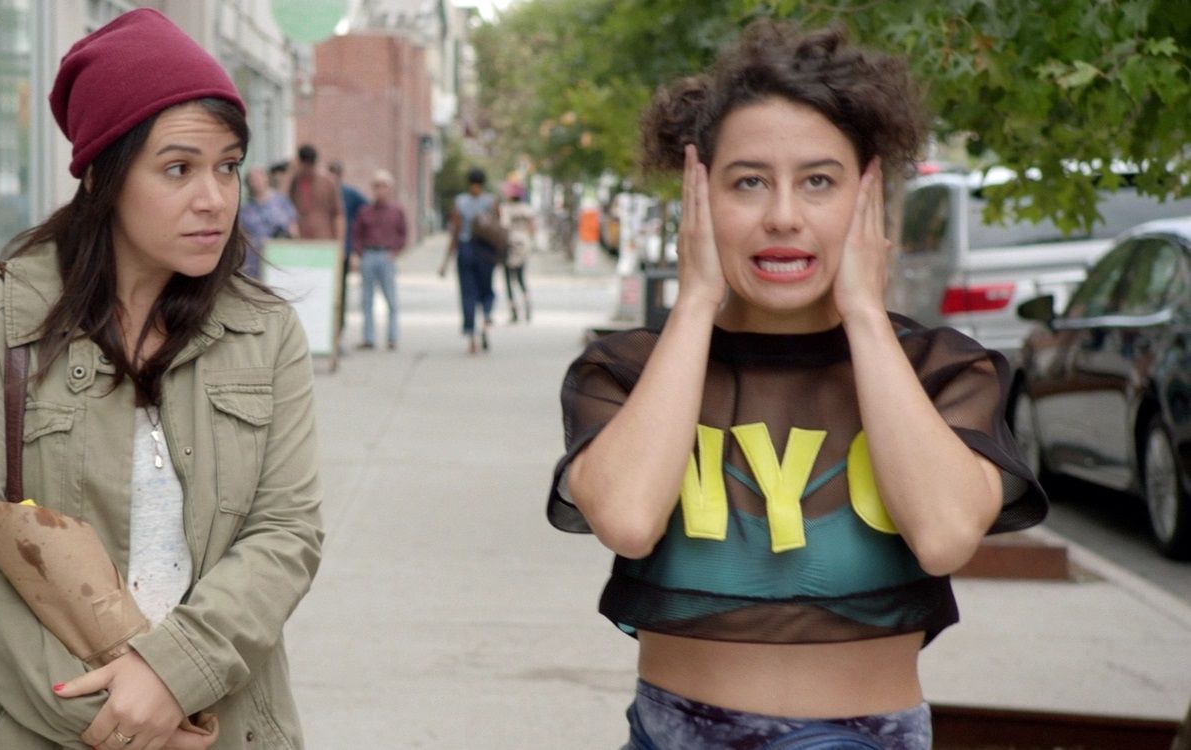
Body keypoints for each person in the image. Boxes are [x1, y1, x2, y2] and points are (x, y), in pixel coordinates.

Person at [547, 23, 1047, 749]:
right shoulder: (626, 370)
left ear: (868, 196)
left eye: (819, 181)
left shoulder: (940, 369)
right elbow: (625, 519)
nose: (783, 216)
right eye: (748, 182)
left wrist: (866, 317)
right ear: (699, 196)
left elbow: (941, 537)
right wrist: (692, 304)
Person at [0, 9, 323, 749]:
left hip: (225, 724)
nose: (214, 198)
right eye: (178, 168)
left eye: (227, 166)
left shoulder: (264, 334)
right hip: (37, 725)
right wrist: (112, 722)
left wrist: (173, 679)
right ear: (102, 173)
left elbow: (285, 534)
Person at [439, 168, 499, 354]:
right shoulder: (491, 202)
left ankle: (472, 338)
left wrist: (445, 261)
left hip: (466, 249)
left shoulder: (460, 202)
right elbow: (497, 230)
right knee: (486, 289)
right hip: (486, 252)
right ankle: (487, 315)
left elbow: (455, 232)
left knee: (468, 294)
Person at [350, 169, 407, 350]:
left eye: (383, 186)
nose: (379, 190)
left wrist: (395, 251)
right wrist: (359, 253)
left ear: (390, 188)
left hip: (386, 256)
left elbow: (403, 233)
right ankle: (369, 338)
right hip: (368, 255)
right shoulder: (365, 211)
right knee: (366, 300)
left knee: (391, 299)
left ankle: (392, 337)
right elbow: (356, 233)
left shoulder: (397, 210)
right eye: (376, 186)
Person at [328, 160, 368, 346]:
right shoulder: (324, 192)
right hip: (324, 251)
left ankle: (339, 334)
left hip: (343, 250)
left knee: (340, 294)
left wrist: (356, 245)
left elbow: (367, 210)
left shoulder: (349, 194)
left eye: (335, 173)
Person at [238, 165, 299, 279]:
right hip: (256, 261)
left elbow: (293, 228)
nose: (257, 182)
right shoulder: (246, 209)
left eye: (259, 177)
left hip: (281, 255)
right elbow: (243, 237)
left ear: (266, 178)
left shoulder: (281, 201)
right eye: (253, 179)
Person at [499, 181, 535, 323]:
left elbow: (503, 228)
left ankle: (513, 311)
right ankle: (527, 302)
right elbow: (532, 227)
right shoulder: (526, 209)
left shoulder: (505, 209)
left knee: (508, 279)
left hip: (510, 244)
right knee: (521, 278)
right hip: (524, 243)